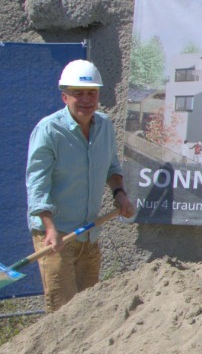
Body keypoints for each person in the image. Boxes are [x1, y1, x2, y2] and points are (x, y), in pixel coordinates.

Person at [25, 59, 135, 312]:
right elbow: (37, 184)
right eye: (78, 94)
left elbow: (112, 168)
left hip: (88, 234)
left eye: (91, 93)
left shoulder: (104, 126)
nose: (86, 99)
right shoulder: (48, 131)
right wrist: (50, 229)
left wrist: (120, 195)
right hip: (56, 237)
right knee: (63, 313)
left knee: (88, 313)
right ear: (65, 97)